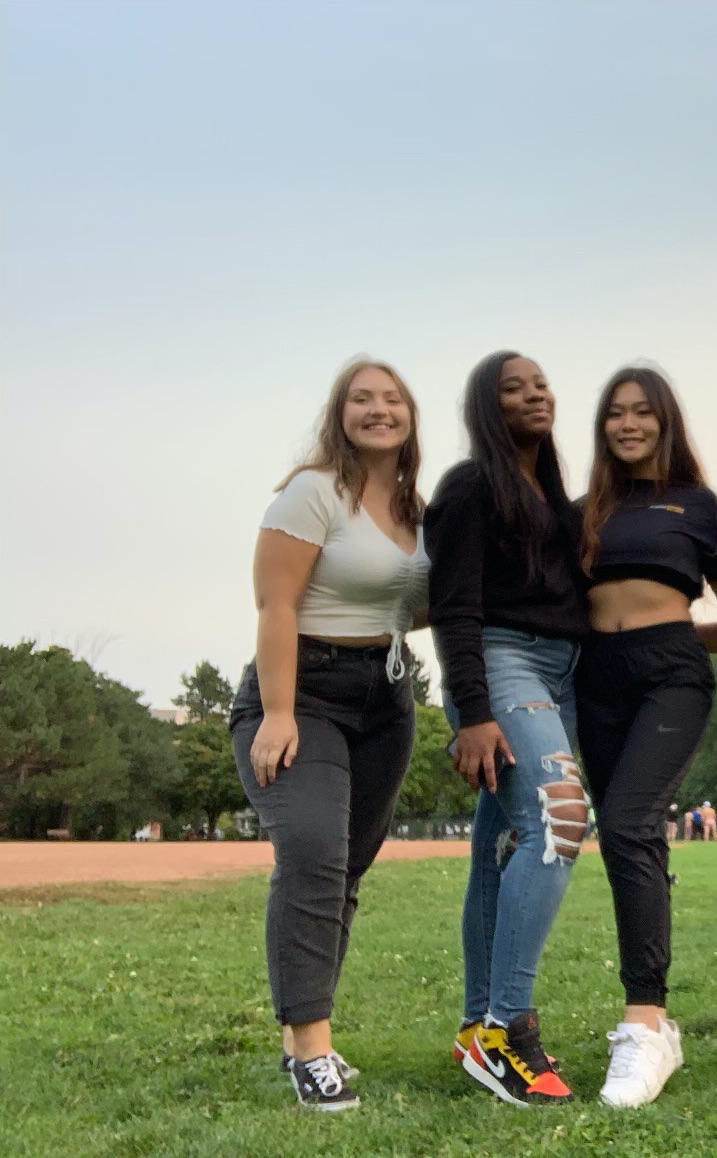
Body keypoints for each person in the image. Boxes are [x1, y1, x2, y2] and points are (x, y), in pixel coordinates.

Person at [229, 359, 431, 1110]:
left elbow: (410, 605)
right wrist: (279, 712)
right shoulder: (314, 491)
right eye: (361, 399)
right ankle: (314, 1048)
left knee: (345, 871)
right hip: (301, 690)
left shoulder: (417, 509)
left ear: (411, 416)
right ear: (339, 414)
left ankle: (296, 1040)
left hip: (385, 697)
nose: (378, 410)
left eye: (392, 399)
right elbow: (275, 604)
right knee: (313, 853)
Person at [426, 350, 589, 1106]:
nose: (534, 395)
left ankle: (472, 1026)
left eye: (541, 384)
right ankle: (505, 1028)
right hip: (501, 664)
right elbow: (454, 605)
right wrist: (475, 711)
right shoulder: (469, 487)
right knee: (559, 821)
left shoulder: (552, 497)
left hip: (560, 672)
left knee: (499, 848)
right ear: (486, 408)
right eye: (512, 388)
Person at [574, 364, 717, 1107]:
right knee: (624, 837)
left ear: (666, 422)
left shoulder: (697, 506)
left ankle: (646, 1021)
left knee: (632, 822)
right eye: (616, 413)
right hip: (594, 677)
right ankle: (654, 1022)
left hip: (671, 671)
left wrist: (679, 636)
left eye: (644, 413)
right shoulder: (584, 511)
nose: (629, 424)